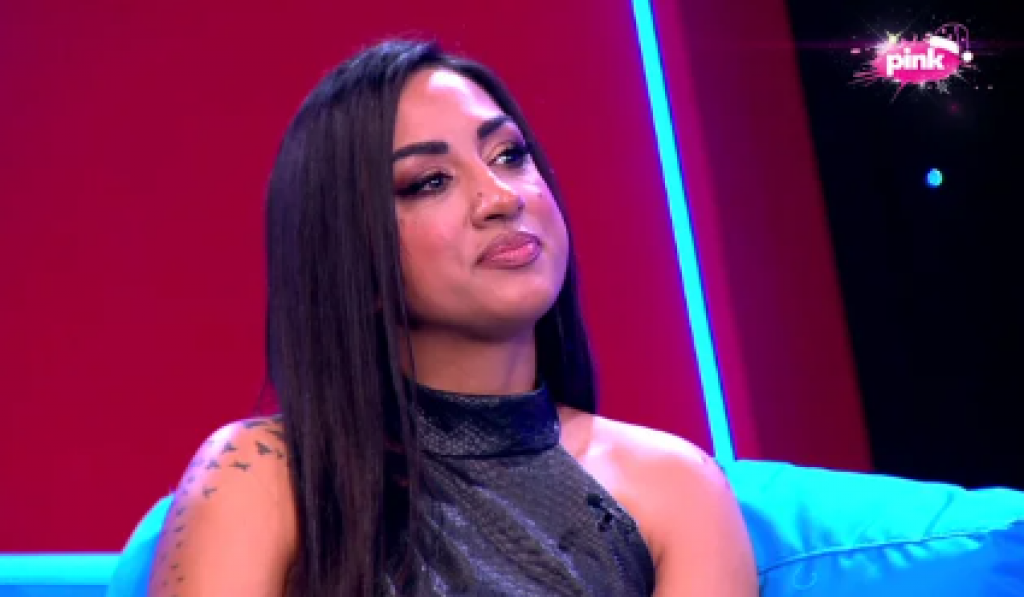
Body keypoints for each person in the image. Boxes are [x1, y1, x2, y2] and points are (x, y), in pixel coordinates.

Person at [146, 38, 758, 597]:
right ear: (353, 255)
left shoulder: (676, 489)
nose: (502, 198)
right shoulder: (258, 475)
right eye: (430, 181)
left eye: (510, 155)